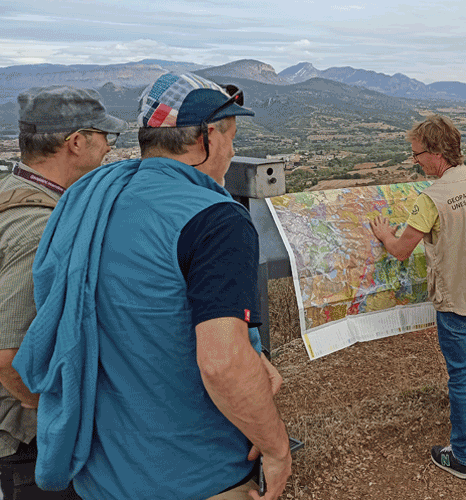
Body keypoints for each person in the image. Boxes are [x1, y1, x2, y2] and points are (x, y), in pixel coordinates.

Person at [12, 73, 291, 499]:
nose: (232, 151)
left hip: (102, 475)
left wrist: (249, 358)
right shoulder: (217, 219)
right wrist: (276, 448)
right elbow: (221, 363)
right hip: (197, 474)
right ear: (208, 138)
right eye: (231, 137)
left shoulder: (91, 199)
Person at [370, 115, 466, 480]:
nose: (415, 161)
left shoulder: (431, 198)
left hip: (457, 301)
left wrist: (382, 235)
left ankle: (464, 457)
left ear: (436, 152)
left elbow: (402, 250)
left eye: (417, 154)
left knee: (462, 377)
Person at [0, 85, 126, 500]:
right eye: (104, 136)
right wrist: (62, 413)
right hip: (28, 444)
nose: (108, 147)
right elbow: (8, 358)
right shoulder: (40, 228)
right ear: (76, 142)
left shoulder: (10, 193)